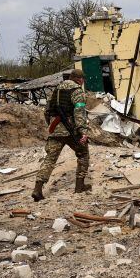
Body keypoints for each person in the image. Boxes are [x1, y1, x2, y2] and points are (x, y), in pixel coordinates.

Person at [32, 68, 90, 201]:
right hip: (70, 131)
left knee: (50, 159)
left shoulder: (56, 90)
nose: (82, 82)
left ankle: (37, 189)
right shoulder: (77, 90)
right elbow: (79, 111)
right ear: (79, 79)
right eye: (82, 79)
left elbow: (47, 111)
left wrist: (52, 125)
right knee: (83, 153)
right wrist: (83, 132)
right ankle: (79, 186)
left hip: (55, 130)